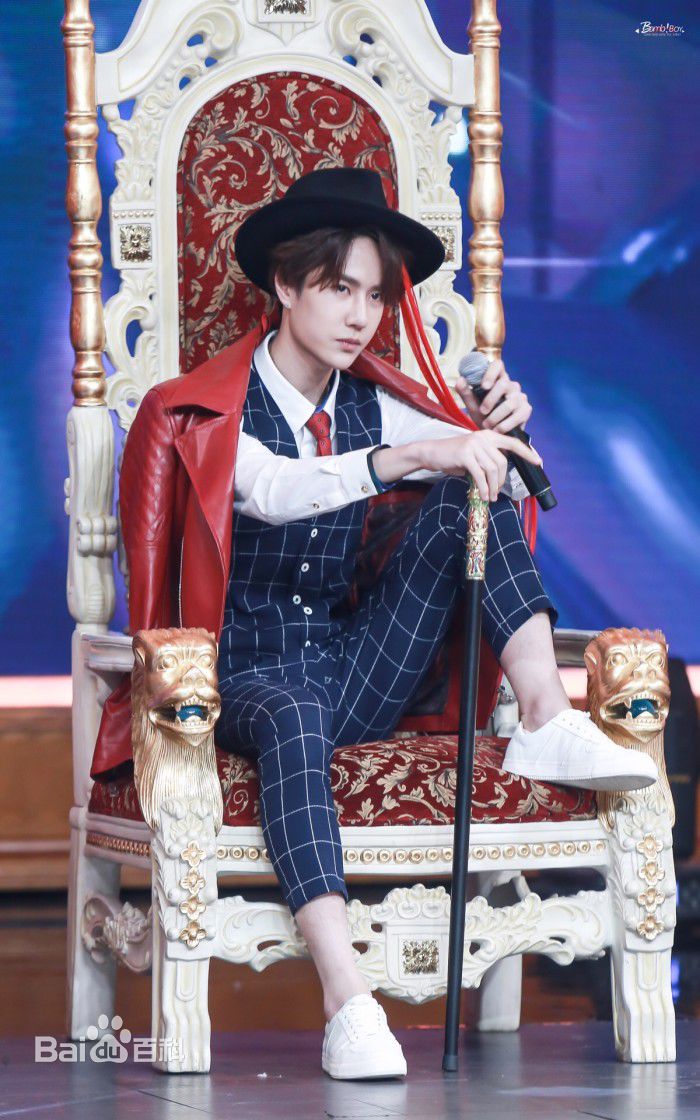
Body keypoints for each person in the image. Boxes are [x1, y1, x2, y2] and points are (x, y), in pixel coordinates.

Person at [101, 167, 658, 1080]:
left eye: (373, 295)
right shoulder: (203, 410)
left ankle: (547, 718)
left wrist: (502, 437)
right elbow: (274, 490)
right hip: (240, 678)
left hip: (353, 666)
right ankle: (348, 1002)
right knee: (293, 713)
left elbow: (494, 486)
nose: (360, 316)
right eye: (338, 288)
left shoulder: (380, 400)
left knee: (465, 500)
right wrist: (414, 451)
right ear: (286, 285)